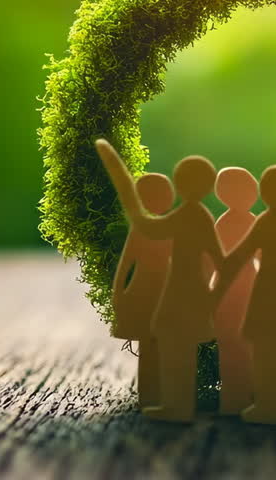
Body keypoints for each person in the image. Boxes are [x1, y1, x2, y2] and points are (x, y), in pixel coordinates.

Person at [95, 139, 224, 423]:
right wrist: (212, 293)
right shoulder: (199, 215)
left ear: (180, 184)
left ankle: (177, 407)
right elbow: (219, 261)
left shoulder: (188, 215)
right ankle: (176, 403)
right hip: (189, 290)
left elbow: (147, 225)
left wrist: (127, 192)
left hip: (181, 291)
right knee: (176, 343)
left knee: (174, 343)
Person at [215, 165, 276, 424]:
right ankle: (263, 403)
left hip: (267, 289)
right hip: (267, 289)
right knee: (264, 348)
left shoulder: (265, 221)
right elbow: (246, 253)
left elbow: (243, 253)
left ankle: (270, 406)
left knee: (266, 349)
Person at [109, 172, 175, 409]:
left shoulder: (168, 228)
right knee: (149, 344)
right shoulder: (141, 229)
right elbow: (126, 263)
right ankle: (149, 395)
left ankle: (160, 394)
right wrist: (119, 293)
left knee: (161, 344)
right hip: (145, 289)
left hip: (165, 290)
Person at [212, 166, 259, 415]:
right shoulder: (226, 223)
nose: (252, 193)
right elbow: (216, 257)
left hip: (247, 285)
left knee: (243, 344)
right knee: (231, 345)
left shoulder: (250, 220)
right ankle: (234, 397)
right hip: (231, 288)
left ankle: (245, 395)